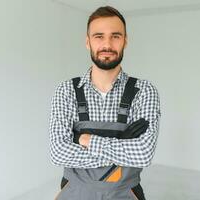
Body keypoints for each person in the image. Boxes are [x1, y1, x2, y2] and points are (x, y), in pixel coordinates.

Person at [49, 6, 161, 200]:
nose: (107, 44)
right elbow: (59, 153)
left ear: (125, 41)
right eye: (99, 36)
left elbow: (143, 154)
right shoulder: (66, 90)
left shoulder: (143, 91)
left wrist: (84, 140)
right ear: (88, 42)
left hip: (124, 194)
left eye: (115, 36)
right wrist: (122, 142)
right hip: (74, 193)